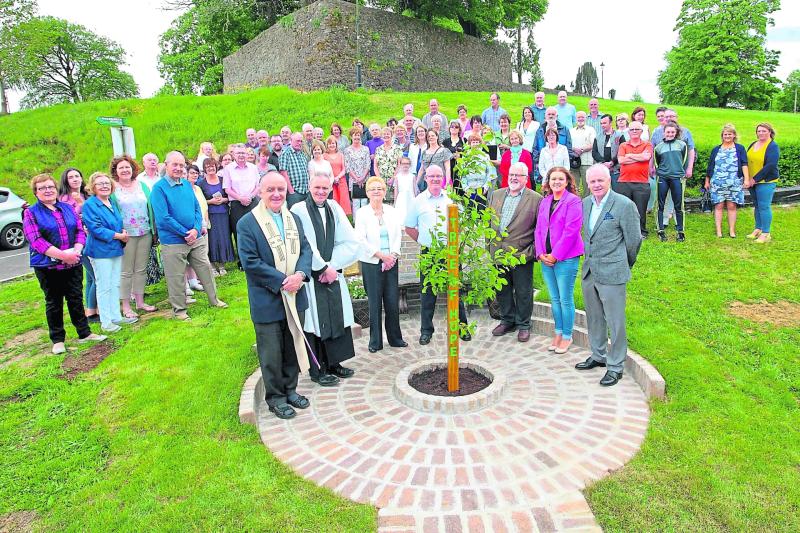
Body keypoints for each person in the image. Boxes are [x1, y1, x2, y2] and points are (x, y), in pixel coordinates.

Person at [237, 172, 313, 420]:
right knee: (272, 352)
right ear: (261, 192)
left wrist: (300, 275)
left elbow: (306, 249)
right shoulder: (247, 223)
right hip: (267, 298)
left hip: (294, 294)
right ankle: (276, 398)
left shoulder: (294, 219)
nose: (277, 194)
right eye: (271, 190)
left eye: (281, 189)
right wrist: (283, 281)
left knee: (292, 345)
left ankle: (290, 390)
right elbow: (250, 262)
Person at [291, 173, 363, 387]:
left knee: (336, 317)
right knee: (315, 323)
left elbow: (349, 240)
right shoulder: (299, 210)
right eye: (317, 188)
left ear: (330, 188)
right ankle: (318, 369)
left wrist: (331, 266)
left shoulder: (334, 207)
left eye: (325, 188)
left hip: (331, 273)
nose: (321, 192)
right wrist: (321, 267)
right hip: (313, 277)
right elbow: (305, 243)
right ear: (309, 186)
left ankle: (334, 363)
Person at [24, 174, 106, 353]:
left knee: (75, 297)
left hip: (73, 262)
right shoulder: (31, 213)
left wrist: (77, 249)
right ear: (36, 192)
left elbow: (79, 230)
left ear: (56, 189)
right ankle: (58, 340)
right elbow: (36, 240)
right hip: (48, 265)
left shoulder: (67, 208)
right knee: (54, 301)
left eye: (50, 187)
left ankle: (84, 333)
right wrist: (62, 255)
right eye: (42, 188)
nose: (48, 190)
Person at [575, 164, 642, 387]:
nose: (596, 185)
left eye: (600, 181)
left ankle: (615, 366)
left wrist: (624, 263)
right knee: (594, 317)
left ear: (609, 180)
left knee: (616, 321)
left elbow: (634, 240)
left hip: (613, 272)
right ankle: (598, 354)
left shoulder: (624, 205)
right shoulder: (585, 204)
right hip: (590, 271)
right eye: (592, 181)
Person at [150, 151, 227, 320]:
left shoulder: (186, 185)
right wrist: (185, 232)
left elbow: (197, 208)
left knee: (205, 269)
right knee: (176, 276)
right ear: (166, 165)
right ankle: (180, 311)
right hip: (173, 241)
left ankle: (214, 300)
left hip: (195, 237)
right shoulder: (159, 189)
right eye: (174, 165)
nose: (178, 168)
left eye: (181, 165)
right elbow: (163, 218)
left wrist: (195, 228)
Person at [405, 165, 470, 345]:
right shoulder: (418, 201)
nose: (435, 179)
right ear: (425, 178)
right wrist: (423, 241)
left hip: (450, 252)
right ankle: (426, 331)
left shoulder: (451, 199)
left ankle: (461, 328)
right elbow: (409, 227)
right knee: (427, 293)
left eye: (438, 176)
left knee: (456, 291)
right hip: (429, 253)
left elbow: (461, 224)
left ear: (443, 178)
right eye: (431, 176)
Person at [488, 162, 542, 342]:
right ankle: (507, 320)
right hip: (498, 253)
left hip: (522, 254)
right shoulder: (495, 195)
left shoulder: (535, 199)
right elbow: (488, 223)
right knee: (502, 290)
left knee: (523, 291)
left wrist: (532, 251)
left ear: (526, 179)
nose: (513, 178)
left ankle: (524, 324)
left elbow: (540, 230)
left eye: (518, 175)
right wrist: (489, 246)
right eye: (511, 174)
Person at [354, 177, 407, 353]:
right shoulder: (362, 213)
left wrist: (392, 256)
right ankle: (375, 341)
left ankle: (395, 338)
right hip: (372, 263)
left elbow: (398, 235)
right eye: (372, 189)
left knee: (392, 301)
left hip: (391, 263)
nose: (376, 191)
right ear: (367, 193)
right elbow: (360, 239)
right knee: (375, 302)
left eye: (380, 188)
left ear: (385, 192)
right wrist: (381, 256)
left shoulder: (392, 211)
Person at [535, 167, 583, 353]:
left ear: (567, 181)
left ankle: (567, 336)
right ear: (548, 181)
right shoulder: (545, 201)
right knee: (554, 299)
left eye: (560, 179)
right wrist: (540, 253)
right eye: (553, 178)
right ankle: (558, 332)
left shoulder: (573, 201)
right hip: (545, 257)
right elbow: (538, 229)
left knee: (565, 299)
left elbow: (571, 231)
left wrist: (555, 255)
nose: (556, 182)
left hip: (566, 258)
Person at [82, 172, 137, 333]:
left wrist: (123, 233)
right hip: (100, 251)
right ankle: (106, 322)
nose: (105, 186)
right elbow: (95, 228)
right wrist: (118, 235)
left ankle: (116, 316)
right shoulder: (90, 205)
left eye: (107, 183)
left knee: (115, 283)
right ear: (93, 187)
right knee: (104, 285)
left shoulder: (111, 201)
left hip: (115, 248)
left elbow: (117, 222)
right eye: (100, 184)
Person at [110, 155, 156, 317]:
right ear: (115, 171)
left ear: (133, 169)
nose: (125, 170)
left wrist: (154, 230)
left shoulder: (142, 185)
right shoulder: (113, 189)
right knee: (126, 270)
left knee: (141, 269)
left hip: (145, 231)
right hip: (126, 235)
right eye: (121, 167)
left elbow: (151, 207)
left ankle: (140, 301)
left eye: (127, 167)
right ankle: (126, 306)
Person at [58, 167, 98, 322]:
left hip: (93, 238)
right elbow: (70, 219)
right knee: (97, 276)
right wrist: (81, 205)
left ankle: (91, 310)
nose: (75, 179)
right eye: (71, 177)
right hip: (79, 241)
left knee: (90, 277)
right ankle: (93, 311)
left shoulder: (87, 194)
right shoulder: (63, 199)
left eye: (77, 176)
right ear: (66, 180)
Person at [705, 124, 750, 239]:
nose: (727, 136)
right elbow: (710, 167)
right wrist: (707, 181)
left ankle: (731, 230)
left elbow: (744, 164)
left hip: (734, 183)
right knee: (718, 206)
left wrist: (746, 178)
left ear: (734, 135)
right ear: (722, 136)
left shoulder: (740, 148)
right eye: (725, 134)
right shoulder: (716, 149)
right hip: (717, 183)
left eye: (730, 134)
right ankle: (719, 230)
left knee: (731, 206)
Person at [653, 121, 689, 242]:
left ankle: (680, 231)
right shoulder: (658, 147)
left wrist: (679, 172)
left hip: (677, 177)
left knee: (679, 205)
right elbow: (657, 163)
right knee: (660, 204)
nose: (670, 134)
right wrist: (662, 173)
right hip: (663, 178)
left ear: (676, 132)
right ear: (664, 132)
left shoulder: (682, 145)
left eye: (672, 132)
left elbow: (684, 160)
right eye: (668, 132)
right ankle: (660, 230)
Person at [222, 144, 261, 253]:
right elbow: (227, 188)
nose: (241, 155)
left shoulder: (253, 168)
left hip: (252, 202)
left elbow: (258, 186)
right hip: (236, 204)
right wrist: (240, 198)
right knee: (239, 230)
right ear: (233, 154)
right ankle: (242, 258)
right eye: (238, 153)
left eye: (243, 153)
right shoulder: (228, 168)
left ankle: (257, 255)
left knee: (255, 229)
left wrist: (250, 196)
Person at [616, 121, 652, 236]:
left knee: (640, 209)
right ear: (629, 131)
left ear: (642, 131)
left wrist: (629, 155)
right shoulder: (623, 145)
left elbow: (646, 157)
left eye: (637, 129)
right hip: (624, 181)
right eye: (632, 129)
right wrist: (639, 157)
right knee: (624, 209)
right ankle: (624, 231)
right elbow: (621, 160)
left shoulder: (647, 145)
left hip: (641, 182)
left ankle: (641, 232)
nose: (634, 131)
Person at [746, 122, 780, 243]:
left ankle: (766, 233)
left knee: (764, 206)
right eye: (759, 131)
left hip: (765, 181)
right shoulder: (753, 144)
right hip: (751, 181)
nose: (761, 133)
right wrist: (746, 178)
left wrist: (754, 179)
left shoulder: (772, 146)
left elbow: (770, 165)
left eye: (764, 131)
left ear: (770, 132)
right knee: (757, 205)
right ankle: (758, 229)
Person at [199, 157, 234, 275]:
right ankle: (213, 266)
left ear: (216, 166)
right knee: (212, 239)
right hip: (210, 214)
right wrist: (211, 201)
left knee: (224, 238)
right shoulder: (201, 183)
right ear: (204, 169)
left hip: (223, 213)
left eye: (212, 166)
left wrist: (223, 200)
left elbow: (229, 195)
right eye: (207, 167)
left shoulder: (223, 179)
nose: (210, 168)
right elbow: (200, 200)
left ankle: (222, 264)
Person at [461, 133, 496, 208]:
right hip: (470, 189)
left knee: (481, 211)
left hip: (481, 188)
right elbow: (462, 174)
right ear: (470, 144)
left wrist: (486, 187)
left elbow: (489, 173)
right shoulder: (465, 157)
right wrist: (466, 188)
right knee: (471, 210)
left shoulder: (485, 156)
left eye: (477, 142)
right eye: (473, 142)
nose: (475, 144)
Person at [343, 126, 371, 217]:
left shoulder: (365, 149)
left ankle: (365, 222)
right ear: (351, 136)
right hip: (353, 180)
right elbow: (348, 166)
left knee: (364, 202)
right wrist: (357, 179)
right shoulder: (347, 150)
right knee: (355, 203)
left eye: (358, 135)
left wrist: (362, 178)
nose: (356, 137)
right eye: (354, 135)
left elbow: (368, 164)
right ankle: (356, 223)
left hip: (365, 179)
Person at [279, 132, 311, 207]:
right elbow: (283, 173)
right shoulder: (285, 154)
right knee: (295, 215)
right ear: (291, 140)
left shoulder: (302, 154)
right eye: (297, 141)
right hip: (295, 192)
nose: (299, 143)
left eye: (301, 141)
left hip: (306, 191)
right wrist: (291, 191)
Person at [593, 114, 625, 187]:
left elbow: (622, 152)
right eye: (601, 123)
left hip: (616, 170)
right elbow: (594, 153)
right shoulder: (597, 137)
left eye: (604, 123)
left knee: (617, 192)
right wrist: (604, 163)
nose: (602, 125)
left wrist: (612, 163)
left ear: (610, 123)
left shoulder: (619, 136)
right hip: (602, 170)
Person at [570, 111, 596, 196]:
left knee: (587, 186)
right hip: (573, 162)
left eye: (582, 117)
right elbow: (568, 144)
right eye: (578, 117)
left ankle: (586, 204)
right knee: (574, 186)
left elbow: (593, 144)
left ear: (586, 118)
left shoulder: (591, 130)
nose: (580, 119)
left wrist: (581, 150)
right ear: (576, 119)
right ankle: (575, 203)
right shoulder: (571, 130)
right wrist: (574, 150)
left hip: (586, 162)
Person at [324, 136, 351, 216]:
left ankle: (343, 219)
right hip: (330, 182)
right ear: (327, 145)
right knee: (333, 201)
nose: (331, 145)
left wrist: (338, 177)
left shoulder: (341, 155)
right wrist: (332, 179)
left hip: (341, 181)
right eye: (329, 144)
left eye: (333, 143)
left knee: (343, 201)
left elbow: (344, 168)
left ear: (336, 144)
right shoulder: (324, 156)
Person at [375, 126, 403, 192]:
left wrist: (393, 178)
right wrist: (380, 179)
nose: (386, 135)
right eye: (384, 134)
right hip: (381, 180)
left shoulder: (397, 148)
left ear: (391, 135)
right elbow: (375, 166)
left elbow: (399, 165)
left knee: (393, 200)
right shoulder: (378, 149)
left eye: (388, 134)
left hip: (394, 179)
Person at [393, 157, 417, 225]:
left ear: (410, 165)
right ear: (400, 164)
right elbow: (396, 190)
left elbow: (414, 189)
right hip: (401, 198)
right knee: (401, 213)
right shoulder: (397, 176)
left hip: (411, 197)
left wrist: (415, 199)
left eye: (407, 163)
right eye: (403, 163)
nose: (405, 165)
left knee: (410, 212)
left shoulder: (412, 176)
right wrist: (395, 201)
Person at [442, 121, 465, 191]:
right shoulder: (445, 142)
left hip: (460, 169)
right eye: (452, 127)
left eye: (456, 127)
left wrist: (460, 156)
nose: (454, 128)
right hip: (448, 168)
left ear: (459, 129)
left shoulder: (463, 140)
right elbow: (443, 155)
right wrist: (451, 156)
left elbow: (466, 154)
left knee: (460, 189)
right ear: (449, 129)